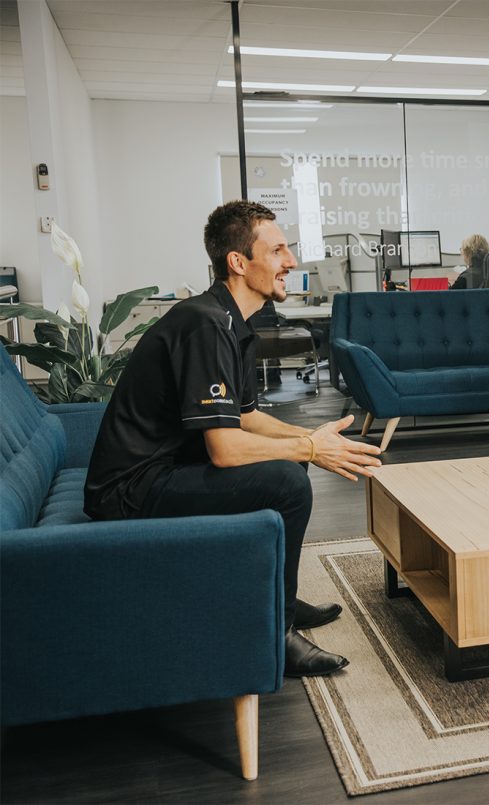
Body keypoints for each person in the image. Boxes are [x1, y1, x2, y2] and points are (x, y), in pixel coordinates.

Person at [84, 200, 383, 678]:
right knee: (287, 481)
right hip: (130, 492)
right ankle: (276, 633)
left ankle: (277, 593)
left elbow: (246, 418)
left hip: (162, 470)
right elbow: (225, 450)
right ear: (238, 263)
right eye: (279, 250)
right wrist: (309, 448)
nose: (291, 262)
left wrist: (311, 437)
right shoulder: (205, 325)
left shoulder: (230, 322)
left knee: (292, 462)